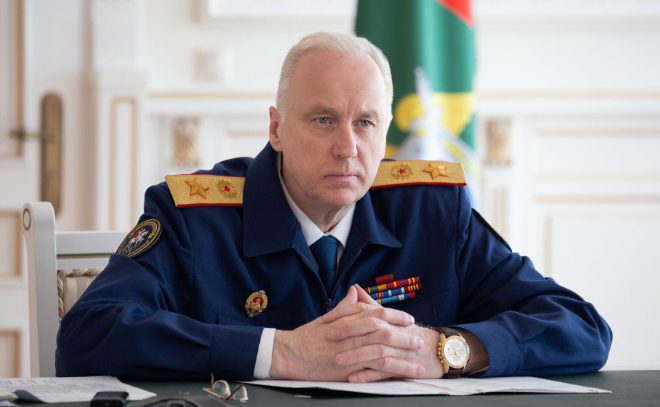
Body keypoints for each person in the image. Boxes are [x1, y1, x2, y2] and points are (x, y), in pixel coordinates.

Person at [56, 32, 612, 382]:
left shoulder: (434, 212)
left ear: (385, 132)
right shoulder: (193, 217)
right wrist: (281, 353)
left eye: (365, 122)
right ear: (276, 128)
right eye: (323, 119)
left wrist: (446, 349)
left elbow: (580, 327)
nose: (348, 146)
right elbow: (88, 336)